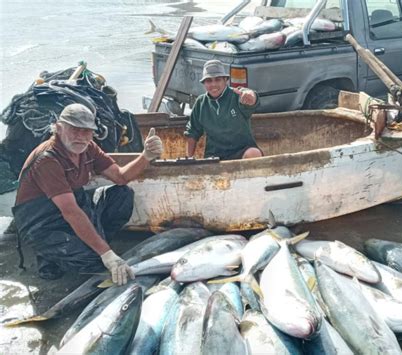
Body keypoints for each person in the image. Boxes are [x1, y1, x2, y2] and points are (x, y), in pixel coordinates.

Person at [12, 103, 163, 285]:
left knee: (122, 195)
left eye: (87, 131)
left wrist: (146, 155)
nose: (81, 137)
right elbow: (71, 212)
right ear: (58, 128)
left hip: (73, 204)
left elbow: (120, 177)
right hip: (40, 221)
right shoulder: (48, 160)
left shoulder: (89, 147)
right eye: (74, 130)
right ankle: (50, 255)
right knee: (93, 261)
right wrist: (106, 254)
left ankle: (92, 245)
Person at [184, 59, 263, 160]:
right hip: (214, 157)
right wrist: (188, 159)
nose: (213, 85)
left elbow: (251, 98)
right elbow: (192, 132)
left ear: (225, 80)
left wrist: (251, 96)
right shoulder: (201, 102)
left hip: (241, 152)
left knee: (253, 153)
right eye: (209, 80)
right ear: (204, 83)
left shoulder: (236, 95)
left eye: (217, 79)